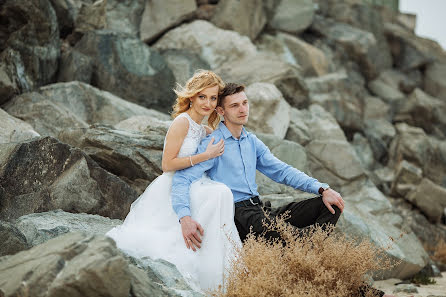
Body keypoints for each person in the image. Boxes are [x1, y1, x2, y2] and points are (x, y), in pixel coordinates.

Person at [171, 83, 395, 297]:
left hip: (262, 211)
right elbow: (182, 178)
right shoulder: (214, 143)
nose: (242, 109)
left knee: (330, 206)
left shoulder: (251, 141)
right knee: (297, 241)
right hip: (240, 217)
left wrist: (322, 188)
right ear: (221, 110)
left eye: (245, 103)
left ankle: (308, 255)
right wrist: (184, 217)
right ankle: (363, 290)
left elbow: (282, 171)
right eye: (234, 105)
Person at [106, 70, 242, 291]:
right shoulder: (182, 122)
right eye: (202, 96)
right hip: (171, 185)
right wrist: (204, 156)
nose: (207, 103)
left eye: (213, 98)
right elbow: (167, 164)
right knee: (218, 194)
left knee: (222, 192)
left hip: (195, 182)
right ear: (191, 97)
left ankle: (215, 270)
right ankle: (196, 261)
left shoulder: (205, 129)